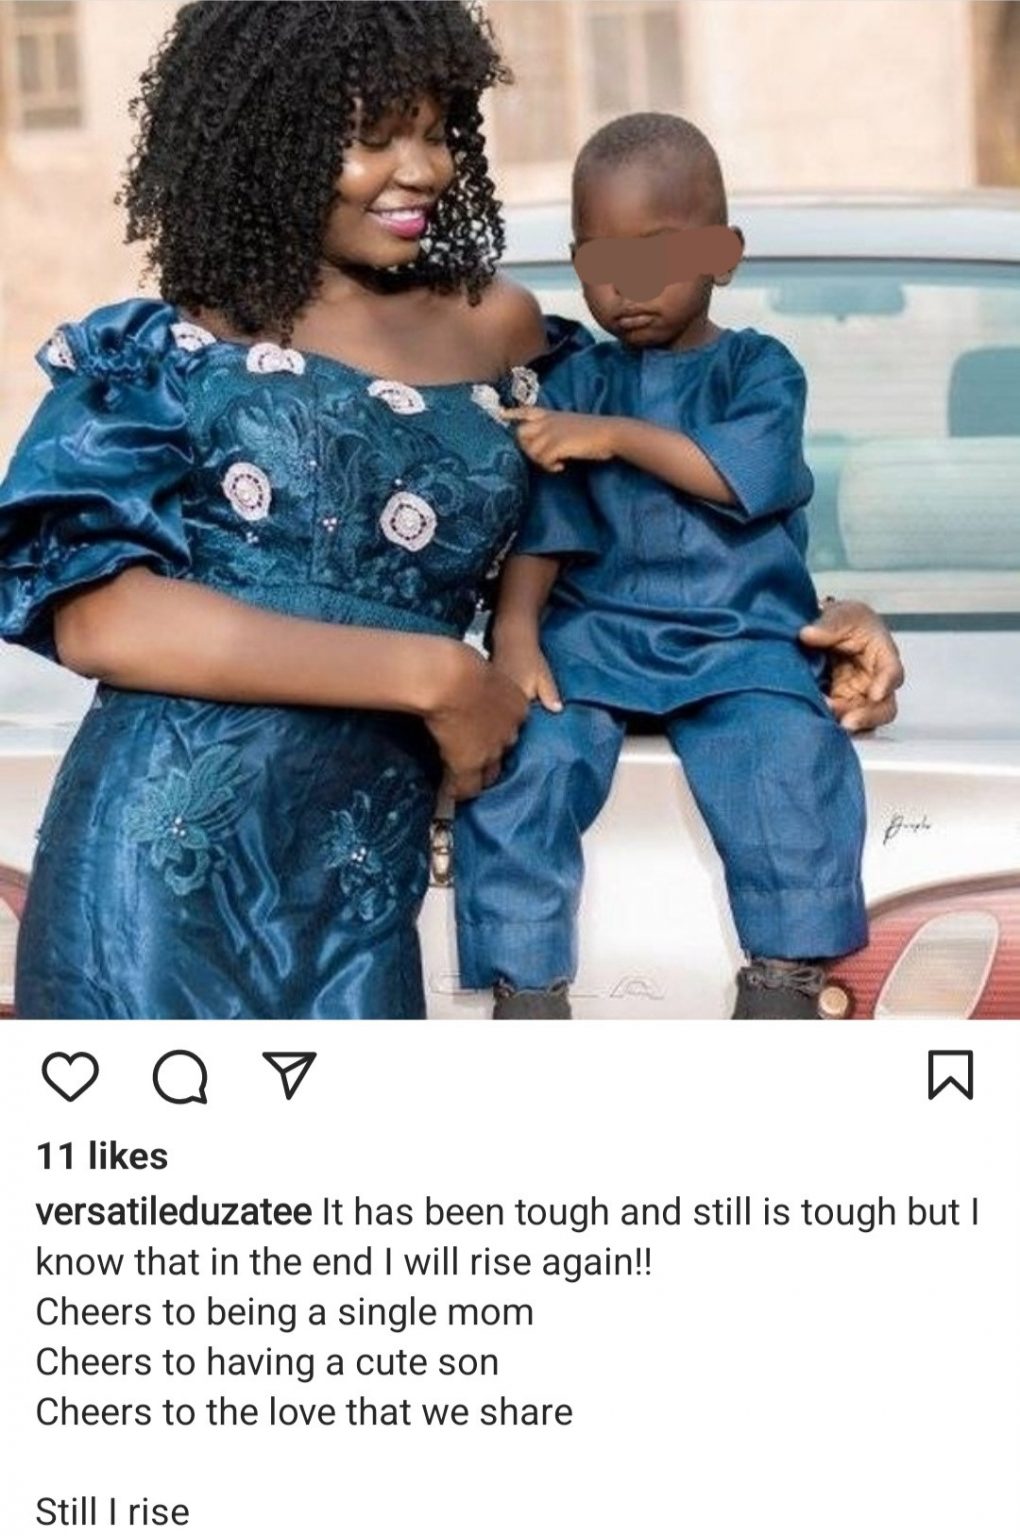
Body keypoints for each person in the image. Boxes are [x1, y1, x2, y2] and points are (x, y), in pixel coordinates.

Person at [0, 0, 539, 1018]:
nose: (420, 169)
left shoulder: (500, 326)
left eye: (435, 131)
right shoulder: (167, 349)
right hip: (157, 883)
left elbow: (636, 530)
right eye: (373, 138)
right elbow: (101, 620)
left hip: (361, 883)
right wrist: (435, 674)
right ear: (268, 140)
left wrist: (814, 636)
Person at [454, 113, 892, 1020]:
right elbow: (546, 522)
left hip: (742, 640)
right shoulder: (574, 383)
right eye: (603, 263)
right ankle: (526, 985)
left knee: (787, 759)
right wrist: (517, 632)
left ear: (723, 255)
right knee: (532, 764)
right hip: (595, 643)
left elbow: (742, 478)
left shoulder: (759, 369)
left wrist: (611, 436)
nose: (630, 287)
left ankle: (784, 977)